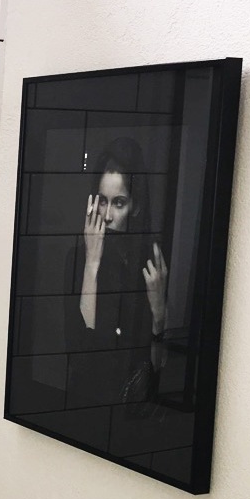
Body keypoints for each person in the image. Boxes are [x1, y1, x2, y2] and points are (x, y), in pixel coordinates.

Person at [64, 137, 169, 413]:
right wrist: (91, 264)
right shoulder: (76, 258)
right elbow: (80, 355)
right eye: (102, 201)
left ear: (135, 206)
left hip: (132, 413)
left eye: (119, 203)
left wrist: (159, 312)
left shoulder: (148, 264)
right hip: (86, 407)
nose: (107, 215)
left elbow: (157, 368)